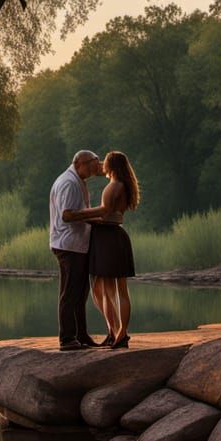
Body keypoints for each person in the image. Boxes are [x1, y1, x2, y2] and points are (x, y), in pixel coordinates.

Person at [69, 151, 139, 349]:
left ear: (112, 166)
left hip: (108, 237)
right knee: (109, 289)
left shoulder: (113, 186)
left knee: (110, 290)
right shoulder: (123, 185)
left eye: (104, 163)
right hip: (114, 236)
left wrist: (78, 216)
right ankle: (116, 332)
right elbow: (110, 214)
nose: (101, 165)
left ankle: (119, 334)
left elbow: (103, 213)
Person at [48, 150, 105, 350]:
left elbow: (76, 214)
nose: (97, 168)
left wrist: (95, 220)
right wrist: (99, 212)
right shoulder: (69, 183)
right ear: (81, 163)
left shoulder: (76, 180)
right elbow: (68, 215)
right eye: (94, 164)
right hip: (68, 245)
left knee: (80, 293)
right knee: (70, 293)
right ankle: (67, 339)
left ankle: (81, 335)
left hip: (76, 244)